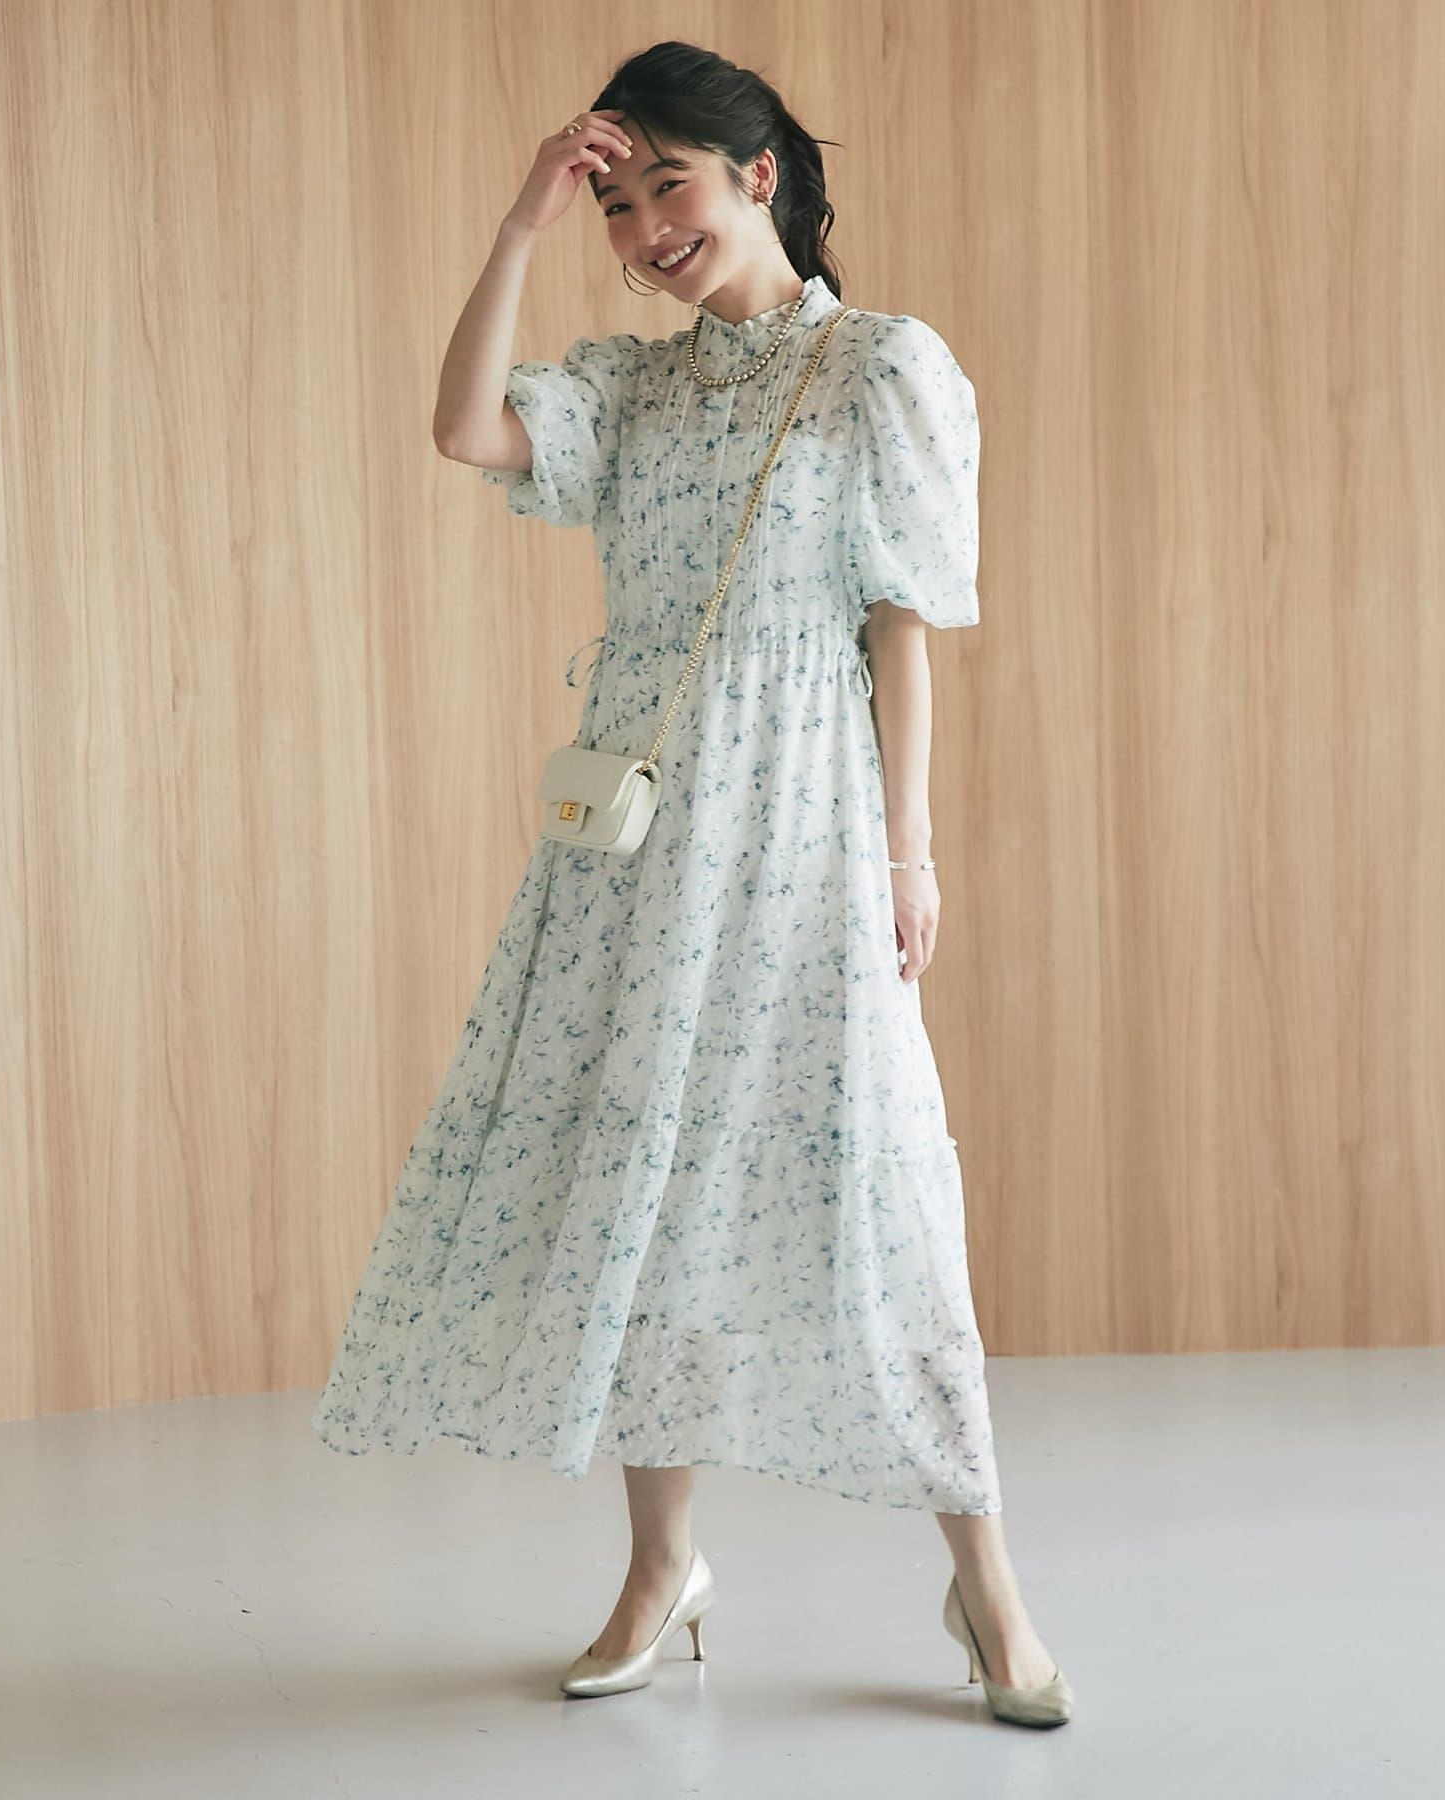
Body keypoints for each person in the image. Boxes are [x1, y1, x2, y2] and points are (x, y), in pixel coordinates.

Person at [312, 39, 1074, 1727]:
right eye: (620, 200)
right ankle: (663, 1566)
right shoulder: (630, 388)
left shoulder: (884, 369)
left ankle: (987, 1584)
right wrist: (523, 219)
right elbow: (462, 427)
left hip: (809, 821)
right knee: (642, 1188)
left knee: (883, 1182)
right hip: (643, 846)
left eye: (674, 186)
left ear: (760, 177)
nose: (647, 226)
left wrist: (910, 851)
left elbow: (903, 626)